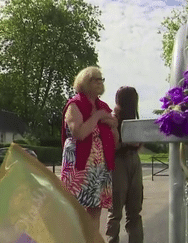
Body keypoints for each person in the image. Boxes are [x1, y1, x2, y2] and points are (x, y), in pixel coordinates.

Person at [60, 66, 119, 230]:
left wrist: (114, 126)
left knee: (95, 208)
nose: (100, 82)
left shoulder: (104, 106)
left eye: (101, 79)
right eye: (96, 79)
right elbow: (79, 133)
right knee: (76, 209)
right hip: (80, 165)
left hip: (101, 167)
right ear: (85, 82)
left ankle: (91, 239)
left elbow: (115, 142)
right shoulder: (75, 105)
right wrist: (98, 116)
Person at [106, 86, 144, 243]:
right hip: (119, 161)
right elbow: (113, 145)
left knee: (131, 210)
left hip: (130, 159)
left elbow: (138, 143)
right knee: (118, 211)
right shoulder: (113, 117)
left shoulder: (132, 118)